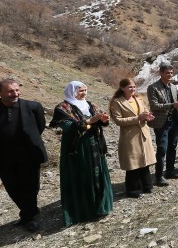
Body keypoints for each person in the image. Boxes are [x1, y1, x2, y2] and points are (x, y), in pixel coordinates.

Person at [50, 81, 113, 226]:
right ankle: (84, 211)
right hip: (78, 148)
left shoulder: (90, 105)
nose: (83, 93)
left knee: (97, 173)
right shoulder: (62, 108)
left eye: (85, 90)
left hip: (95, 144)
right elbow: (69, 127)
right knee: (82, 174)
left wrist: (103, 120)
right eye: (80, 91)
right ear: (72, 91)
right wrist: (91, 121)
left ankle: (100, 207)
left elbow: (99, 122)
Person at [0, 78, 48, 232]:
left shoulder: (33, 107)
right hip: (4, 158)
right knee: (12, 188)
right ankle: (29, 212)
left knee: (30, 187)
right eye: (10, 91)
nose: (15, 93)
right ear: (1, 93)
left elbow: (39, 127)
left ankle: (29, 217)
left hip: (28, 155)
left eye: (17, 90)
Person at [109, 78, 157, 198]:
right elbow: (118, 120)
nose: (133, 89)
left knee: (145, 161)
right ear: (122, 88)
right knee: (133, 163)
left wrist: (148, 116)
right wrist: (138, 118)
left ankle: (147, 186)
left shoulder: (139, 98)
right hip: (130, 137)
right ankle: (133, 190)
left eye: (134, 87)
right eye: (130, 87)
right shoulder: (117, 102)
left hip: (143, 133)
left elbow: (145, 112)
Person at [147, 63, 178, 186]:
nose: (170, 75)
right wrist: (173, 105)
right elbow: (154, 106)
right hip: (161, 123)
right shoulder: (153, 88)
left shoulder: (173, 87)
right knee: (162, 149)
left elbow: (174, 103)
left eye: (171, 73)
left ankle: (170, 171)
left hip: (173, 121)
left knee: (173, 146)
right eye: (167, 73)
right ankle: (159, 176)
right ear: (161, 73)